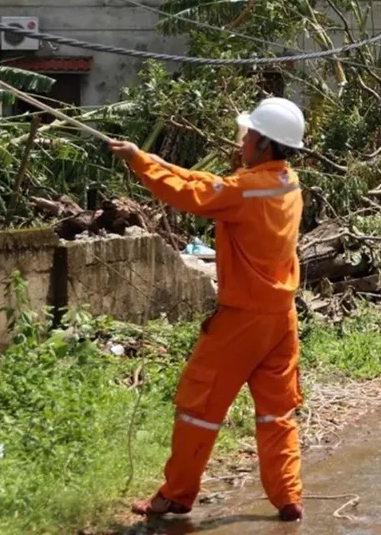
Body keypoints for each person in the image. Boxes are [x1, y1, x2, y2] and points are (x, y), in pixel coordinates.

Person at [107, 96, 309, 523]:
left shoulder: (246, 190)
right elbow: (208, 182)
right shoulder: (288, 185)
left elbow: (194, 192)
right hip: (281, 320)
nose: (243, 142)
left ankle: (177, 495)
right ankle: (288, 496)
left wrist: (141, 163)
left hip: (241, 320)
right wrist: (150, 158)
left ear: (265, 143)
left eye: (249, 135)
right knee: (277, 413)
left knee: (198, 408)